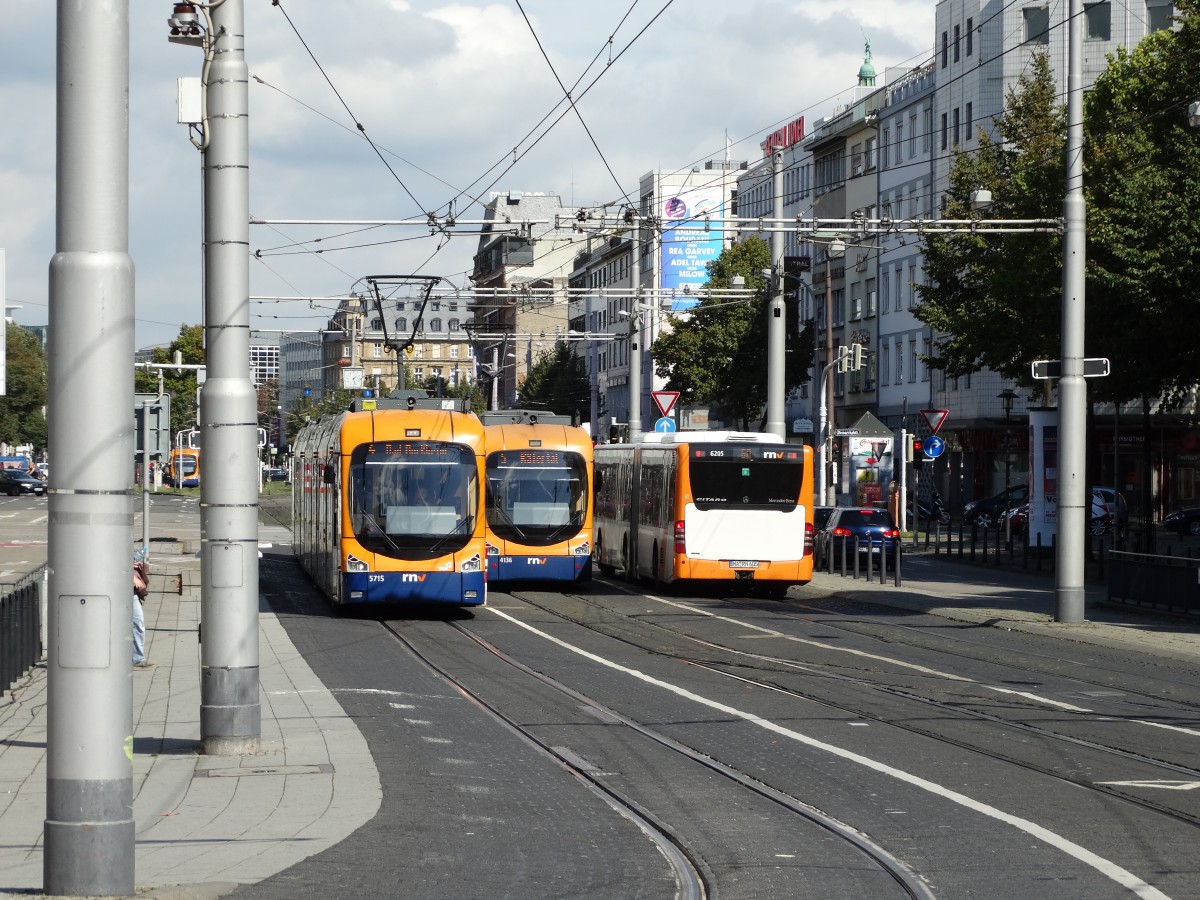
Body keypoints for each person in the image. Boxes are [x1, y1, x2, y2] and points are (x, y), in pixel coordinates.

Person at [133, 551, 150, 666]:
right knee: (137, 623)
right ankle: (136, 657)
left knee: (138, 623)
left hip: (132, 590)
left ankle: (137, 658)